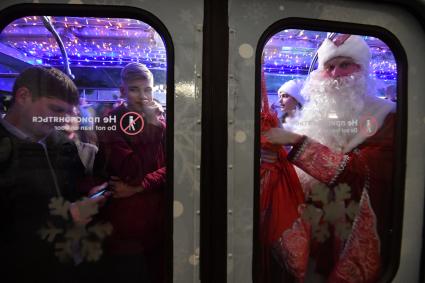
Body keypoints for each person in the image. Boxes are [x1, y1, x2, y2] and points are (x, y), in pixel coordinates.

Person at [263, 34, 396, 282]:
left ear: (363, 69)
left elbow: (364, 172)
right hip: (314, 229)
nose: (335, 74)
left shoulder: (385, 117)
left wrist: (296, 143)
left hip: (347, 231)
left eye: (345, 65)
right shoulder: (318, 111)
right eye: (329, 66)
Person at [0, 66, 107, 282]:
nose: (63, 120)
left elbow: (73, 190)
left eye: (68, 113)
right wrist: (68, 216)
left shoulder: (62, 143)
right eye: (56, 110)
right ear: (23, 96)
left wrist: (88, 196)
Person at [93, 62, 166, 283]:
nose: (142, 96)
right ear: (123, 91)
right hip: (125, 226)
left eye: (147, 89)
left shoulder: (160, 122)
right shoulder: (110, 121)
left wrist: (141, 185)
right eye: (135, 89)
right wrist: (152, 125)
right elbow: (131, 171)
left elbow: (174, 168)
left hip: (159, 220)